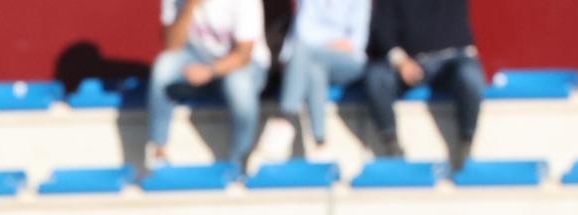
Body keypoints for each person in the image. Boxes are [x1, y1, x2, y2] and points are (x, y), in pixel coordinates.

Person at [148, 0, 272, 168]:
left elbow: (243, 54)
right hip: (198, 58)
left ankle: (240, 161)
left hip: (246, 65)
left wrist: (209, 71)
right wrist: (189, 7)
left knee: (238, 85)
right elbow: (171, 45)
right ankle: (159, 153)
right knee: (164, 66)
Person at [364, 0, 485, 168]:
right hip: (409, 61)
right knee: (377, 77)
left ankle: (466, 144)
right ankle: (392, 146)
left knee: (470, 77)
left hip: (452, 60)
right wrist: (401, 61)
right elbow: (383, 28)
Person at [263, 0, 371, 157]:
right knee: (315, 69)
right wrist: (332, 43)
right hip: (311, 60)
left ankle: (286, 117)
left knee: (304, 53)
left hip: (349, 63)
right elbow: (303, 33)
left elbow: (356, 43)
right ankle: (320, 143)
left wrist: (319, 45)